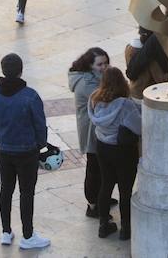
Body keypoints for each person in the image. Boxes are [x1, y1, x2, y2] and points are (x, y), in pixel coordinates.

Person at [0, 53, 50, 250]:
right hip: (27, 151)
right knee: (26, 192)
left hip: (4, 150)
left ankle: (6, 231)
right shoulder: (30, 96)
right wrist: (40, 145)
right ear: (21, 70)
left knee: (6, 189)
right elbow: (40, 125)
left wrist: (0, 137)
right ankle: (28, 235)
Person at [88, 67, 140, 241]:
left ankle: (104, 225)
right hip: (123, 151)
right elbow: (138, 127)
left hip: (102, 148)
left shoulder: (94, 99)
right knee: (125, 191)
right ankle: (126, 229)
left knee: (106, 184)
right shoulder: (126, 105)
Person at [66, 51, 108, 221]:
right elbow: (104, 99)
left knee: (100, 167)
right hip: (91, 130)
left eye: (106, 63)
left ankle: (100, 197)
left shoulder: (94, 77)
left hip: (96, 128)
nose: (104, 67)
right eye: (100, 64)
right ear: (90, 65)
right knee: (94, 168)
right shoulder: (86, 83)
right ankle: (92, 204)